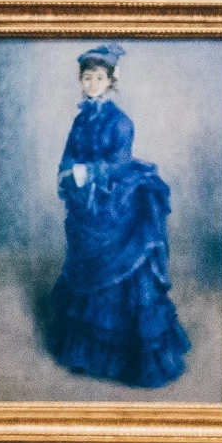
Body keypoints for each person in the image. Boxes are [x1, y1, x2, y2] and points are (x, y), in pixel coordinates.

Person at [47, 42, 191, 388]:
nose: (92, 84)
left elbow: (120, 162)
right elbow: (68, 155)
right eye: (87, 78)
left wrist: (89, 172)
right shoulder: (80, 119)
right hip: (88, 204)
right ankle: (86, 353)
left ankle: (129, 355)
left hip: (116, 201)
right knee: (86, 268)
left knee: (123, 265)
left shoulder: (120, 121)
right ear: (81, 82)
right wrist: (70, 172)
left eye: (98, 77)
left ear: (111, 81)